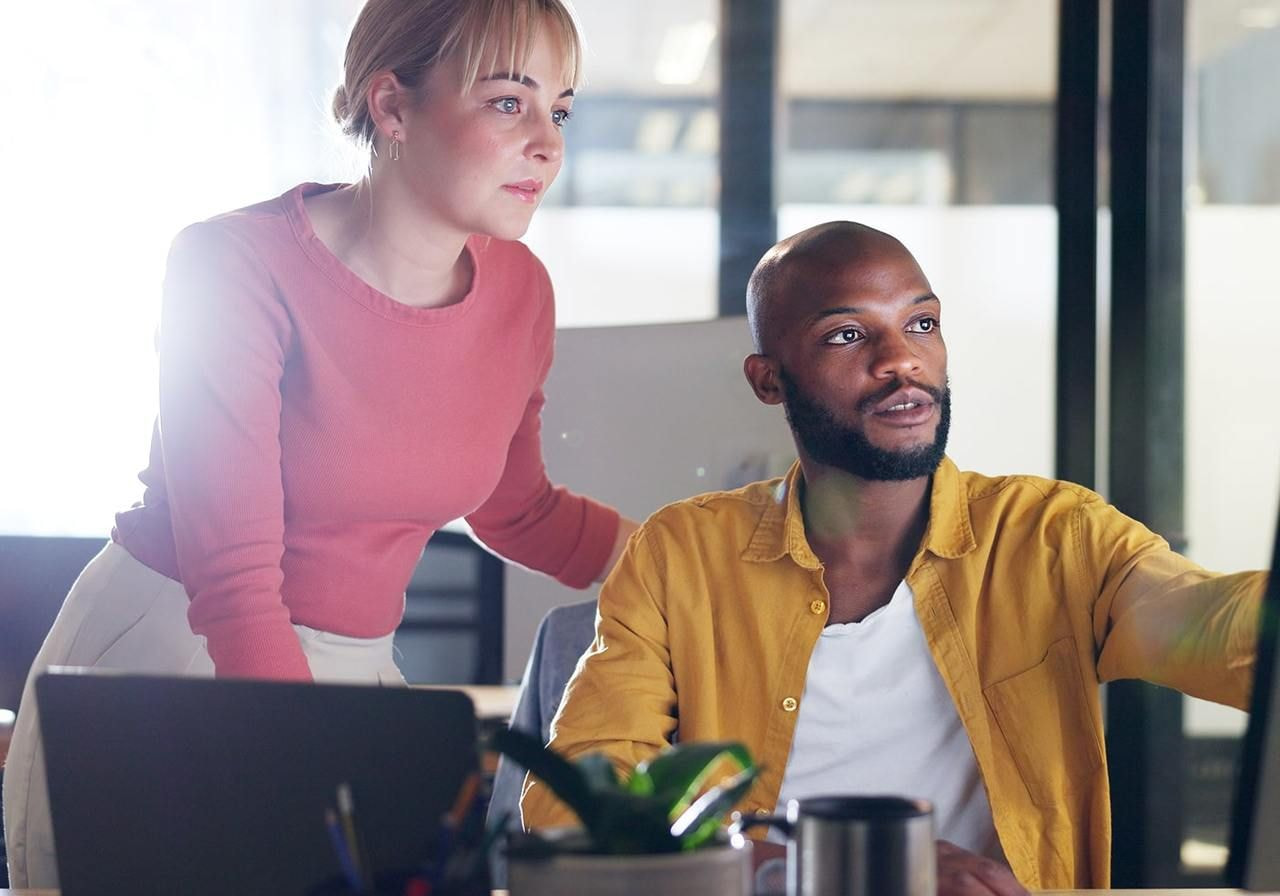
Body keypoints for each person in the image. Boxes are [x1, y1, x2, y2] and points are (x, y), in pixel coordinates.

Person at [3, 0, 639, 887]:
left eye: (560, 109)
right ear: (391, 105)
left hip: (354, 680)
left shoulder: (521, 291)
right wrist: (307, 774)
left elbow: (514, 505)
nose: (548, 141)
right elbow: (233, 583)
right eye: (509, 101)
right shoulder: (232, 265)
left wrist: (691, 557)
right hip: (177, 662)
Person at [520, 221, 1266, 894]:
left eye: (922, 323)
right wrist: (827, 860)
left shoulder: (1052, 536)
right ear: (769, 380)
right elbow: (573, 802)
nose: (901, 361)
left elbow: (1215, 627)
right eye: (849, 335)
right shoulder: (681, 554)